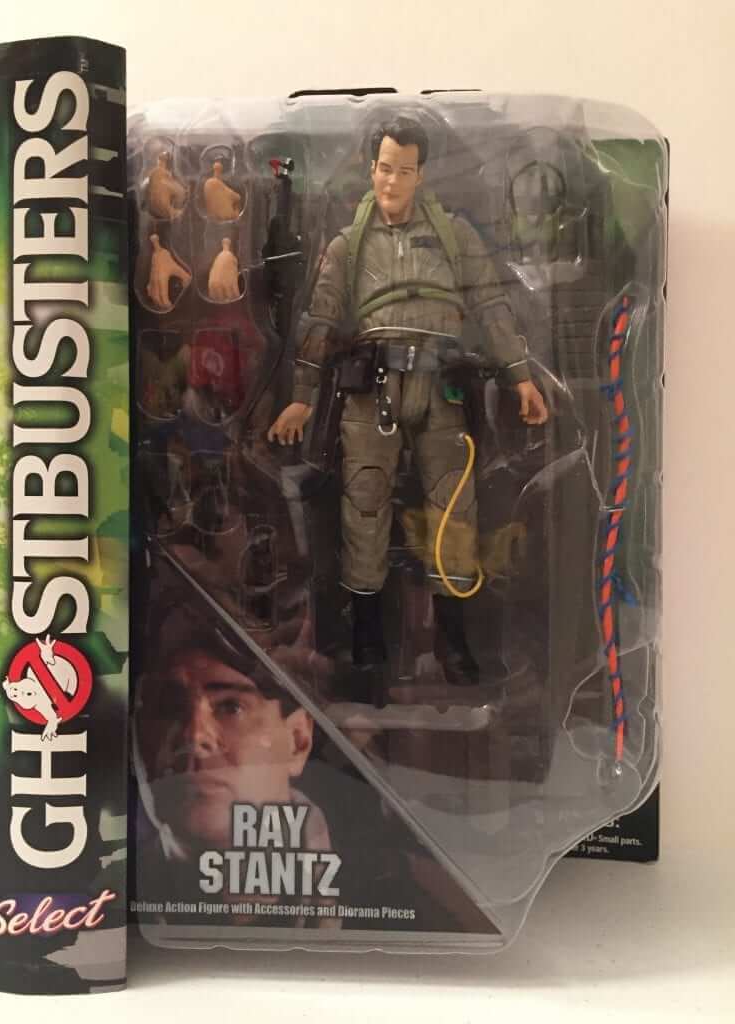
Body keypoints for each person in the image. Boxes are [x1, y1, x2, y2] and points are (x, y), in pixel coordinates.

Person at [268, 115, 548, 681]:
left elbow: (492, 307)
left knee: (454, 510)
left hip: (441, 389)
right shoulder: (348, 246)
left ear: (421, 175)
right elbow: (320, 322)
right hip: (372, 392)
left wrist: (520, 377)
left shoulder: (455, 237)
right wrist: (301, 397)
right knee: (364, 509)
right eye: (385, 168)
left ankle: (453, 638)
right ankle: (366, 638)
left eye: (404, 170)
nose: (392, 181)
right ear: (371, 168)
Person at [134, 604, 337, 927]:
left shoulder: (395, 889)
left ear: (298, 740)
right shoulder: (102, 897)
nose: (195, 735)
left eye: (231, 707)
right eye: (168, 705)